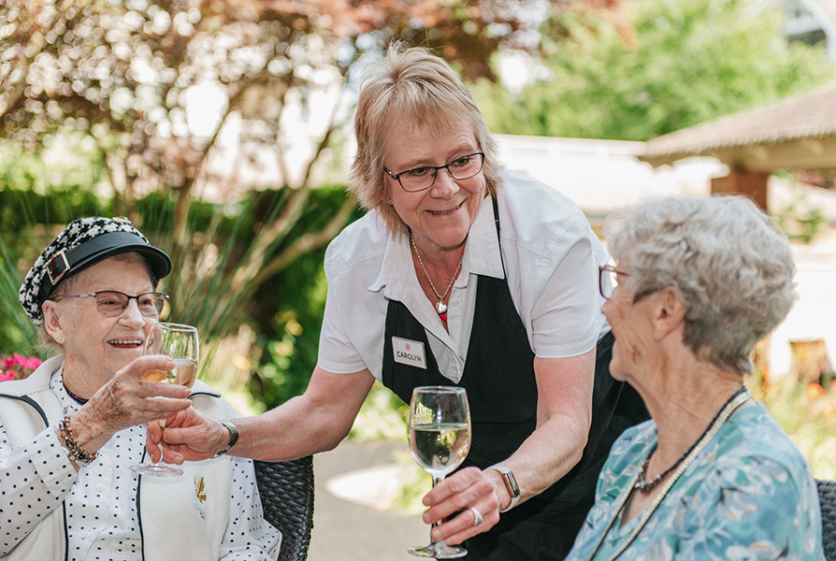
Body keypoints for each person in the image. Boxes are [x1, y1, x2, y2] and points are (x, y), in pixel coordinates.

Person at [151, 44, 647, 560]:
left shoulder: (547, 239)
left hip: (605, 479)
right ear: (378, 181)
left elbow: (565, 422)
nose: (447, 188)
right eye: (418, 171)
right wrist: (224, 435)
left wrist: (500, 485)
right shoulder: (355, 265)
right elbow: (323, 413)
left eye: (461, 160)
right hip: (475, 499)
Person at [0, 216, 281, 561]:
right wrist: (94, 422)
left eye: (147, 302)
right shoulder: (9, 415)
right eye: (110, 301)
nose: (136, 320)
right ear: (56, 321)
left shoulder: (209, 415)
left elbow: (247, 547)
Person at [564, 196, 824, 561]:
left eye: (619, 282)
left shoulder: (753, 477)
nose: (606, 307)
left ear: (666, 310)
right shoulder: (633, 450)